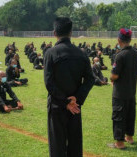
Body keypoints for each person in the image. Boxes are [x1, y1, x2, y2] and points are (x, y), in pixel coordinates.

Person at [44, 17, 94, 157]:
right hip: (75, 106)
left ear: (55, 33)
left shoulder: (50, 53)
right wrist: (76, 98)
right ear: (71, 32)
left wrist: (66, 101)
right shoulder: (81, 53)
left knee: (57, 146)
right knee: (75, 144)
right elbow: (90, 79)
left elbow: (49, 83)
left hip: (57, 105)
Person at [109, 28, 137, 149]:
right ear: (130, 39)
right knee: (130, 114)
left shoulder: (120, 55)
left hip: (120, 92)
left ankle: (119, 143)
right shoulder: (135, 53)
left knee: (119, 116)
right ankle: (129, 137)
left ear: (119, 40)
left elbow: (114, 75)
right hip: (131, 90)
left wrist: (111, 78)